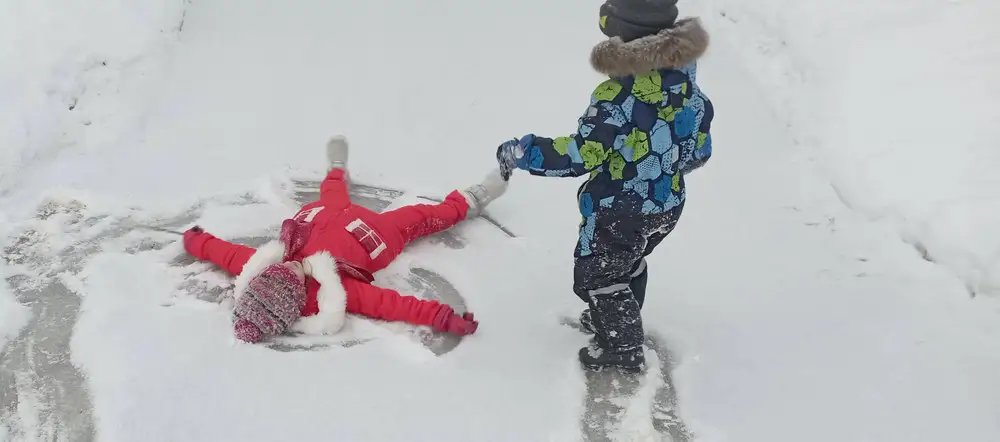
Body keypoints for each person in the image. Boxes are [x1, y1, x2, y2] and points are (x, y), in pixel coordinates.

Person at [494, 0, 714, 372]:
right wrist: (660, 171)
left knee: (600, 273)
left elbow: (583, 154)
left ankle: (622, 346)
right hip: (668, 202)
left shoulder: (617, 97)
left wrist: (527, 152)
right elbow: (699, 151)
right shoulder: (690, 89)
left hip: (620, 207)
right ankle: (612, 318)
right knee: (628, 262)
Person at [182, 136, 509, 343]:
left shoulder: (264, 267)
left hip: (321, 215)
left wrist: (197, 242)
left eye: (278, 268)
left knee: (332, 191)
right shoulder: (335, 292)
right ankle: (468, 200)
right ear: (296, 295)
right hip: (373, 234)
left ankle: (336, 169)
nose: (291, 263)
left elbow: (226, 254)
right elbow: (390, 304)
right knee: (419, 216)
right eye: (292, 274)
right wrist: (442, 317)